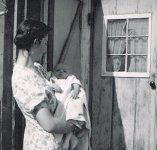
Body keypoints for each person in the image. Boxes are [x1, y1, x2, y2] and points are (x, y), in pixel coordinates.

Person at [11, 19, 78, 150]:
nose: (46, 49)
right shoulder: (23, 78)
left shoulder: (37, 69)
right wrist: (74, 125)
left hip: (55, 143)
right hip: (42, 145)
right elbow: (49, 124)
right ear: (36, 43)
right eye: (45, 43)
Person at [34, 63, 91, 150]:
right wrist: (51, 84)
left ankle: (69, 139)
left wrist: (75, 90)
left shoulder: (70, 78)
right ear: (53, 72)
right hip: (60, 103)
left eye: (64, 71)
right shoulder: (53, 79)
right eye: (58, 70)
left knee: (71, 117)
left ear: (69, 73)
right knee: (61, 121)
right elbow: (45, 82)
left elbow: (77, 84)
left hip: (68, 101)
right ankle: (67, 140)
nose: (61, 72)